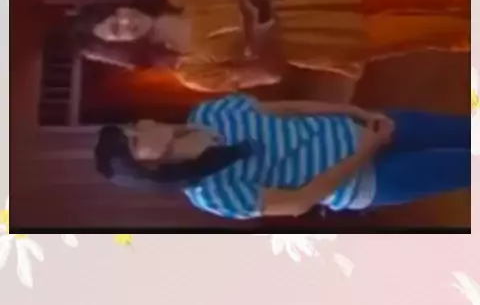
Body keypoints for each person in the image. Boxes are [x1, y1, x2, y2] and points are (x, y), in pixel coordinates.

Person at [72, 0, 469, 90]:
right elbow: (269, 74)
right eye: (115, 30)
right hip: (319, 40)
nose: (124, 20)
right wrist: (259, 34)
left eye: (116, 13)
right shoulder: (191, 71)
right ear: (124, 49)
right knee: (441, 32)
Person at [94, 95, 471, 218]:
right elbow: (299, 202)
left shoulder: (209, 111)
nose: (142, 128)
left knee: (464, 129)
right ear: (146, 166)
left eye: (132, 127)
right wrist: (365, 151)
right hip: (368, 179)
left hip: (368, 127)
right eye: (135, 143)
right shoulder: (210, 193)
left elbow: (288, 109)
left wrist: (356, 111)